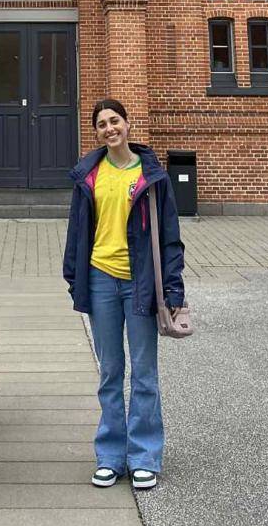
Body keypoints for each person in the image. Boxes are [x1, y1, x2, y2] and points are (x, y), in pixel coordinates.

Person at [62, 97, 185, 491]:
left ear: (128, 124)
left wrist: (173, 288)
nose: (109, 129)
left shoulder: (153, 176)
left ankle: (145, 455)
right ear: (96, 132)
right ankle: (111, 456)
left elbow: (170, 237)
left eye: (114, 120)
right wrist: (73, 276)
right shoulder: (89, 175)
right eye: (102, 124)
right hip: (100, 279)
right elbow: (77, 230)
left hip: (140, 283)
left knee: (144, 372)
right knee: (110, 372)